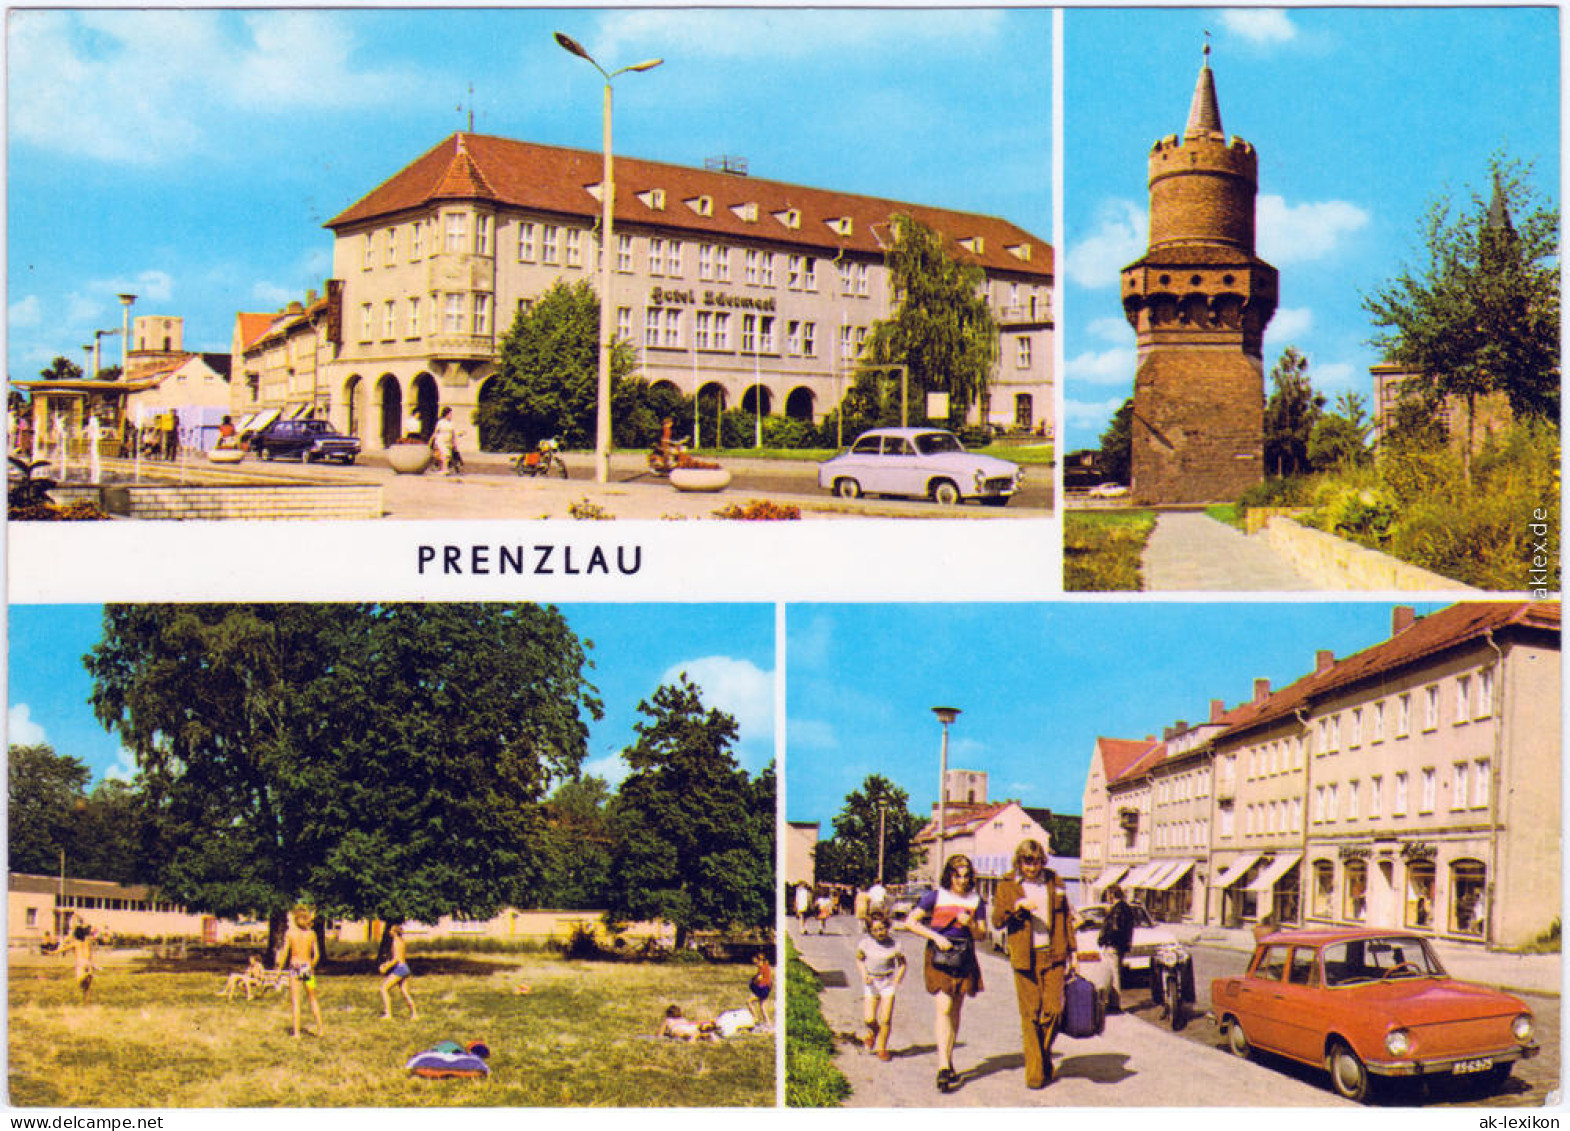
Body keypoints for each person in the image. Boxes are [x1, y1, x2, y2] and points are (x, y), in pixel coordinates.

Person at [992, 840, 1076, 1089]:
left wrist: (1074, 953)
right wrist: (1017, 907)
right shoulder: (1007, 885)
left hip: (1054, 953)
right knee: (1030, 1015)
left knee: (1053, 1011)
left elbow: (1066, 918)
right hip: (1025, 956)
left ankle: (1041, 1055)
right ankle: (1036, 1072)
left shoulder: (1054, 880)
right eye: (1028, 862)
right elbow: (997, 921)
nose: (1032, 867)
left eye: (1037, 861)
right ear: (1020, 861)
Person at [902, 853, 987, 1093]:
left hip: (963, 957)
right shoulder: (936, 896)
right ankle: (942, 1066)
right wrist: (936, 937)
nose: (962, 879)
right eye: (957, 874)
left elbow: (981, 934)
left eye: (966, 875)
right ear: (949, 874)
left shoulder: (975, 901)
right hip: (939, 956)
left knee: (956, 1010)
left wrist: (969, 923)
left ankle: (948, 1060)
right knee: (944, 1007)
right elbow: (910, 922)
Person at [855, 911, 907, 1061]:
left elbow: (902, 963)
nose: (880, 932)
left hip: (887, 983)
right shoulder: (865, 944)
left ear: (887, 927)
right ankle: (873, 1032)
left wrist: (898, 977)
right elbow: (859, 960)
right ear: (870, 931)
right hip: (871, 982)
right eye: (875, 930)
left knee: (885, 1019)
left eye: (882, 928)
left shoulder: (895, 945)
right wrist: (864, 973)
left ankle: (882, 1048)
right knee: (869, 1019)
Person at [277, 905, 325, 1037]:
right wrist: (311, 966)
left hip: (295, 967)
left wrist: (279, 971)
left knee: (296, 1001)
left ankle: (297, 1033)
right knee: (313, 998)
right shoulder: (312, 934)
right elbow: (317, 955)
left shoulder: (290, 934)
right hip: (307, 967)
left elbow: (285, 954)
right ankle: (320, 1029)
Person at [1098, 884, 1137, 1005]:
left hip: (1113, 945)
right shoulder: (1126, 908)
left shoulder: (1117, 909)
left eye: (1109, 894)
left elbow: (1115, 928)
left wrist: (1104, 939)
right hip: (1121, 945)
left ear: (1112, 894)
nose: (1108, 897)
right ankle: (1114, 1001)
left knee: (1113, 974)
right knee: (1116, 972)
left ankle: (1114, 1002)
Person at [378, 924, 417, 1020]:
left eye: (391, 930)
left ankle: (388, 1014)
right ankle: (414, 1014)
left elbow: (396, 959)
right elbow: (400, 957)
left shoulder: (395, 942)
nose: (389, 932)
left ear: (394, 932)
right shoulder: (402, 942)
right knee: (405, 992)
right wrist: (387, 963)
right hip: (405, 968)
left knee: (384, 989)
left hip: (399, 969)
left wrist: (386, 967)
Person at [62, 915, 97, 1004]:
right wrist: (79, 919)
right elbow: (90, 930)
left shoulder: (76, 943)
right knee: (87, 988)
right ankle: (86, 1000)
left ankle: (85, 977)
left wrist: (51, 952)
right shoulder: (88, 942)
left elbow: (63, 948)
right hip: (88, 962)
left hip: (80, 963)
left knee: (80, 981)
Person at [747, 950, 773, 1026]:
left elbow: (759, 978)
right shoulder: (766, 966)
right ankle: (768, 1022)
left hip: (762, 990)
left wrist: (753, 981)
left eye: (756, 963)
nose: (756, 964)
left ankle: (755, 1019)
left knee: (748, 1002)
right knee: (762, 1006)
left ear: (760, 961)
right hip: (766, 989)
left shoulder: (762, 968)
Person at [430, 407, 459, 475]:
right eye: (450, 414)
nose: (451, 416)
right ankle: (444, 469)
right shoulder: (440, 422)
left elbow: (453, 433)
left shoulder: (451, 423)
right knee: (444, 454)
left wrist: (454, 442)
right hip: (441, 440)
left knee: (447, 456)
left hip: (448, 442)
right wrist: (431, 441)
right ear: (446, 414)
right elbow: (436, 432)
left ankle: (442, 468)